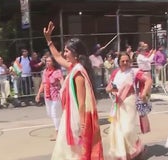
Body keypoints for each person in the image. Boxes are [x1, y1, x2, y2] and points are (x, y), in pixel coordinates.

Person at [43, 21, 103, 160]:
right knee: (68, 151)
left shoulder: (78, 73)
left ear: (75, 54)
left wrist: (82, 126)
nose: (64, 54)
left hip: (75, 118)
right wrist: (49, 40)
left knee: (74, 152)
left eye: (67, 51)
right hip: (69, 115)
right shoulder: (73, 67)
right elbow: (57, 57)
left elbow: (81, 103)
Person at [105, 52, 152, 159]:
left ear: (130, 61)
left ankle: (137, 145)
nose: (125, 63)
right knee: (117, 130)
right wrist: (109, 89)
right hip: (118, 103)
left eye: (127, 61)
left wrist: (144, 93)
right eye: (123, 61)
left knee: (127, 129)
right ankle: (124, 152)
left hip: (130, 102)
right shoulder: (115, 73)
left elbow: (148, 80)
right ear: (119, 62)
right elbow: (108, 87)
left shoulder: (134, 72)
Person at [35, 56, 63, 141]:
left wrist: (63, 89)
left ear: (53, 62)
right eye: (46, 61)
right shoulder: (44, 72)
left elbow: (62, 80)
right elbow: (43, 84)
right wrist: (38, 94)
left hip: (56, 95)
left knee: (55, 114)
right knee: (50, 114)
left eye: (49, 61)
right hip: (48, 96)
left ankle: (58, 133)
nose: (47, 63)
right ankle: (62, 128)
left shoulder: (57, 71)